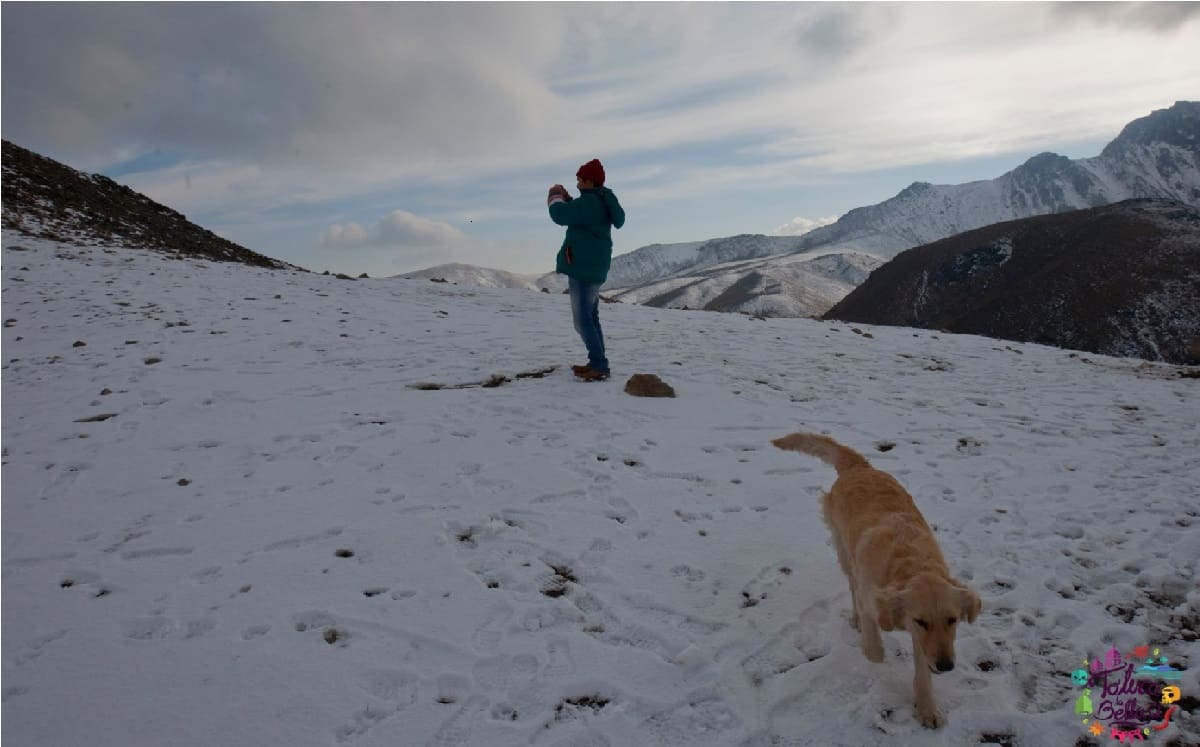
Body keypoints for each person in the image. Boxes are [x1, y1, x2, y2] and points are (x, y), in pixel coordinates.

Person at [547, 158, 626, 381]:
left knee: (582, 321)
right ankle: (597, 362)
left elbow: (560, 215)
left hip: (583, 270)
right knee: (591, 317)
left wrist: (555, 196)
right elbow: (580, 214)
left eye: (580, 180)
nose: (577, 183)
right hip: (593, 268)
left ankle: (599, 365)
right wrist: (569, 200)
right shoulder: (599, 200)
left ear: (590, 182)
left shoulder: (590, 202)